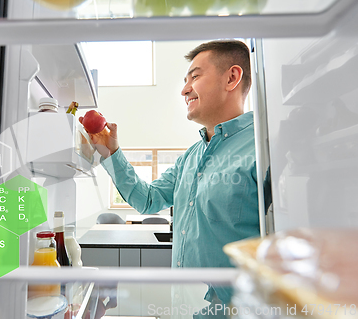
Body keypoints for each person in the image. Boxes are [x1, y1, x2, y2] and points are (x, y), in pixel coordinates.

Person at [80, 40, 260, 312]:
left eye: (195, 76)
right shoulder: (190, 157)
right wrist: (110, 152)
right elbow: (148, 200)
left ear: (232, 78)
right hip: (183, 308)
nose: (184, 89)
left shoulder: (263, 148)